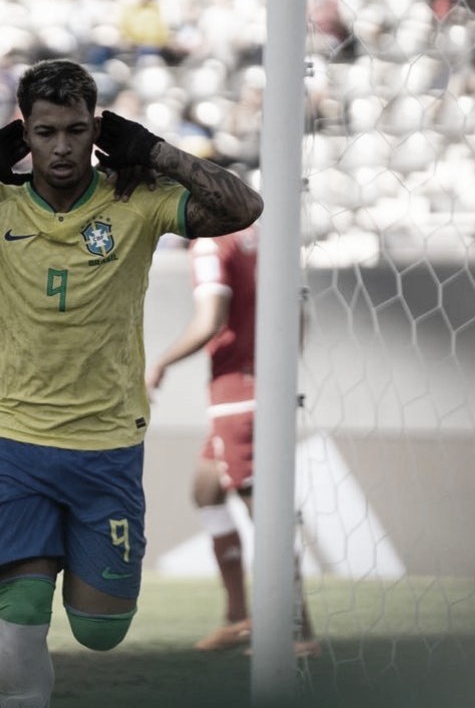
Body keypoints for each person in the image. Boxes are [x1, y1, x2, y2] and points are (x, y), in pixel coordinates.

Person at [0, 59, 263, 706]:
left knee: (101, 630)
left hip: (108, 447)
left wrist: (154, 151)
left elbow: (244, 208)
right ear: (24, 133)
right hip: (15, 447)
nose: (61, 147)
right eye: (44, 132)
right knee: (21, 619)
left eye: (76, 130)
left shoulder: (135, 198)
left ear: (96, 128)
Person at [144, 226, 319, 657]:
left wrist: (160, 364)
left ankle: (297, 630)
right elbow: (301, 309)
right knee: (206, 489)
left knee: (263, 510)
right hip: (259, 385)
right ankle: (238, 617)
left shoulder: (209, 243)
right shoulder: (262, 237)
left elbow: (210, 319)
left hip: (236, 395)